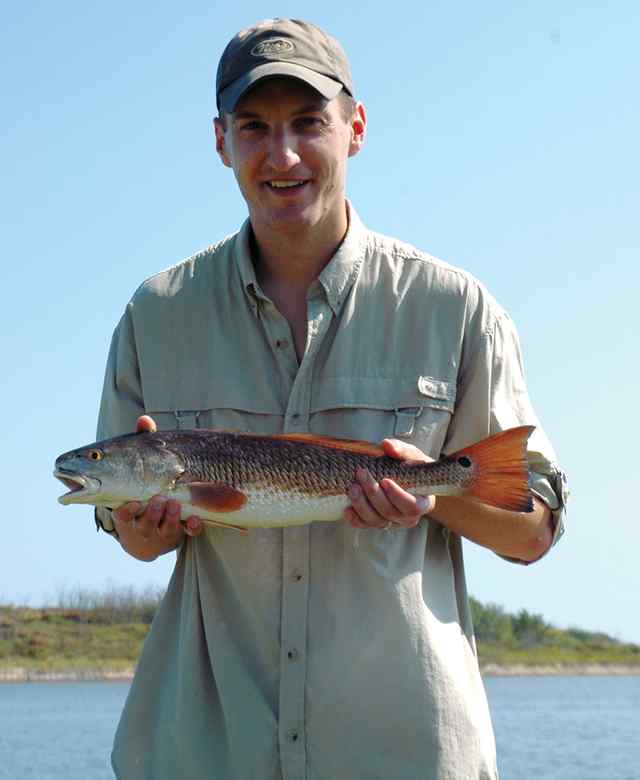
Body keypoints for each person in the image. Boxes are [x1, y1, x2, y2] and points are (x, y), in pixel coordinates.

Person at [95, 18, 567, 780]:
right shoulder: (154, 314)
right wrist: (143, 524)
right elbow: (133, 539)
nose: (282, 156)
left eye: (308, 123)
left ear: (356, 128)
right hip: (203, 753)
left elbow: (532, 533)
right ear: (221, 142)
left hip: (405, 749)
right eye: (254, 127)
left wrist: (432, 495)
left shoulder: (457, 308)